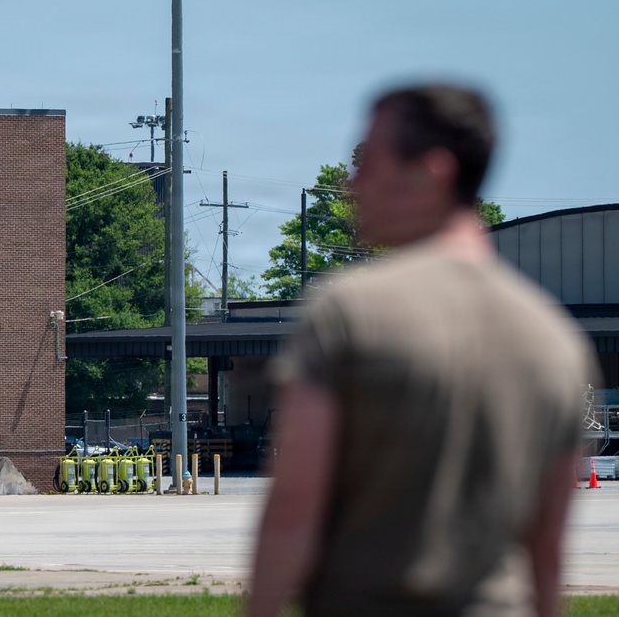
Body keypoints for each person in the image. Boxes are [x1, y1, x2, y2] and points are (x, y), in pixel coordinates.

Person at [247, 83, 597, 617]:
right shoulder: (556, 340)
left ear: (430, 173)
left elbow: (294, 506)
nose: (352, 183)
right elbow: (547, 547)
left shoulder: (348, 310)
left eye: (370, 162)